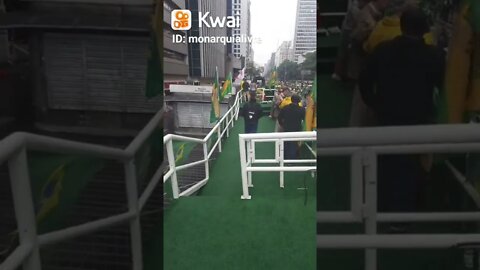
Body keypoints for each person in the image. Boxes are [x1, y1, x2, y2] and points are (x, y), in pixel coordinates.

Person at [358, 7, 445, 219]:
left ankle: (383, 206)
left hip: (386, 114)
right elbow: (443, 86)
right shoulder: (434, 55)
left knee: (388, 160)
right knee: (411, 163)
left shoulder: (383, 49)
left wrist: (375, 104)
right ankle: (403, 214)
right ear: (425, 29)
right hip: (418, 117)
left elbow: (364, 80)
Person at [348, 0, 389, 127]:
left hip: (370, 67)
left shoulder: (377, 14)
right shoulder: (366, 16)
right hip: (363, 64)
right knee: (361, 101)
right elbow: (356, 38)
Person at [333, 0, 371, 81]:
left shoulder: (365, 6)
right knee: (343, 51)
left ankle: (348, 74)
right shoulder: (354, 7)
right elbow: (360, 18)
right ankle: (338, 73)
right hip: (348, 30)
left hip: (357, 30)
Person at [278, 94, 305, 159]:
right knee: (294, 144)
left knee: (286, 143)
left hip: (286, 128)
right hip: (297, 129)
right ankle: (291, 160)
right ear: (299, 101)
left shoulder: (285, 108)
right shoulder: (302, 109)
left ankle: (285, 158)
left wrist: (282, 125)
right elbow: (304, 119)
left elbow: (279, 117)